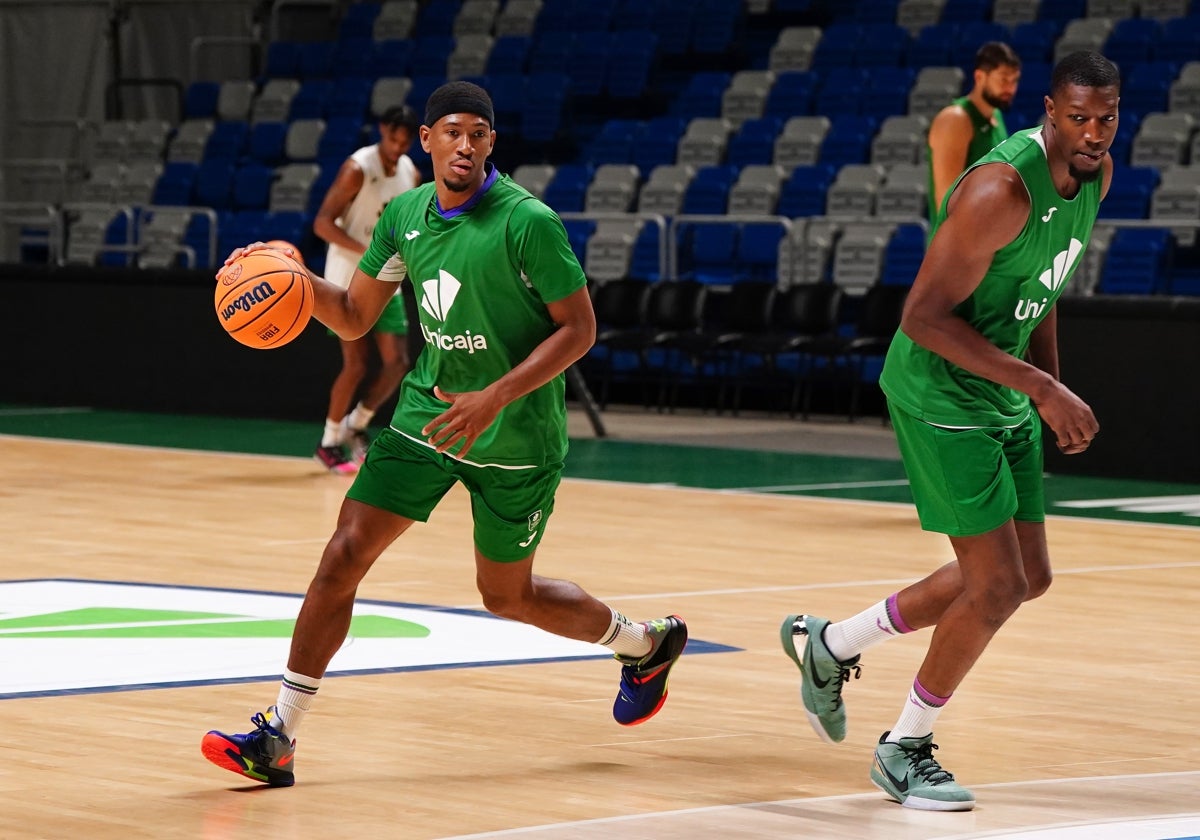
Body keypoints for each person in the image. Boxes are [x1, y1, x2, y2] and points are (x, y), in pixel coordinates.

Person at [201, 81, 688, 787]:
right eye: (452, 132)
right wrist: (290, 280)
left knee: (507, 596)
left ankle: (645, 645)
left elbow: (579, 330)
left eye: (479, 135)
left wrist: (495, 396)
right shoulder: (402, 216)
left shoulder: (528, 222)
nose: (465, 145)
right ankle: (278, 736)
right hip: (428, 419)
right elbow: (355, 316)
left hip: (515, 436)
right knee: (342, 556)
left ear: (492, 144)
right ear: (425, 141)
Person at [781, 50, 1117, 812]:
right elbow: (922, 319)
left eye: (1106, 117)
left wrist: (1046, 387)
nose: (1094, 132)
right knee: (994, 585)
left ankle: (831, 646)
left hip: (1001, 387)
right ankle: (905, 747)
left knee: (1026, 577)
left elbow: (1046, 283)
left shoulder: (1095, 172)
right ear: (1047, 110)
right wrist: (1039, 385)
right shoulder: (999, 189)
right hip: (940, 390)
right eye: (1078, 118)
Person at [311, 104, 422, 474]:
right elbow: (323, 224)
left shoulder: (411, 172)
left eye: (405, 142)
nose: (398, 147)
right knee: (356, 364)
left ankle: (354, 426)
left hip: (387, 278)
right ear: (382, 131)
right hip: (347, 277)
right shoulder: (356, 169)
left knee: (397, 363)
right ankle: (328, 442)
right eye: (393, 139)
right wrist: (370, 253)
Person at [927, 41, 1022, 222]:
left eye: (1014, 80)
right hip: (958, 245)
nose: (1010, 88)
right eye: (1003, 79)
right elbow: (947, 203)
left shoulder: (996, 116)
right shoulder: (955, 120)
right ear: (979, 77)